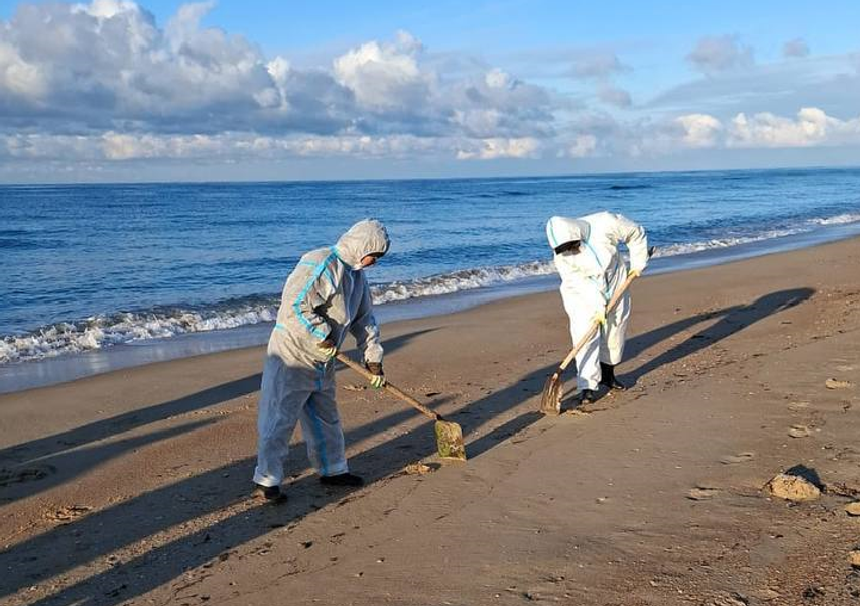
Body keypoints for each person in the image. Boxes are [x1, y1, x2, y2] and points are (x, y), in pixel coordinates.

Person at [252, 219, 390, 502]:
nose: (374, 262)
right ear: (361, 246)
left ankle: (333, 470)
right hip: (293, 354)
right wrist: (322, 333)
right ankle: (267, 480)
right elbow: (294, 305)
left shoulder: (356, 276)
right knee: (280, 417)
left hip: (324, 358)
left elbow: (364, 320)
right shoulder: (319, 263)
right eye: (373, 256)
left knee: (326, 416)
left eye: (378, 258)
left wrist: (372, 357)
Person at [545, 211, 649, 404]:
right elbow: (577, 281)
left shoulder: (606, 222)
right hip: (580, 293)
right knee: (584, 335)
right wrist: (597, 306)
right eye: (564, 248)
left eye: (571, 245)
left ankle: (608, 375)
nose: (569, 250)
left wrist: (638, 263)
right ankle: (587, 386)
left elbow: (636, 233)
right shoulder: (562, 255)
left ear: (575, 234)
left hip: (616, 281)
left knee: (615, 330)